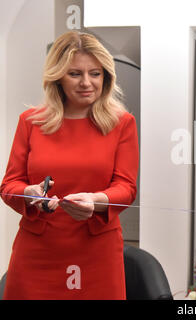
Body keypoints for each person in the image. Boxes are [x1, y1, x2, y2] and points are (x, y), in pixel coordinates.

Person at [0, 31, 139, 299]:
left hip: (96, 250)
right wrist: (29, 194)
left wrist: (96, 200)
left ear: (106, 77)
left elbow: (126, 188)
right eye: (75, 74)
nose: (86, 82)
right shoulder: (31, 121)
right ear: (57, 77)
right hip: (38, 251)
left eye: (95, 73)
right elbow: (9, 185)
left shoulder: (122, 123)